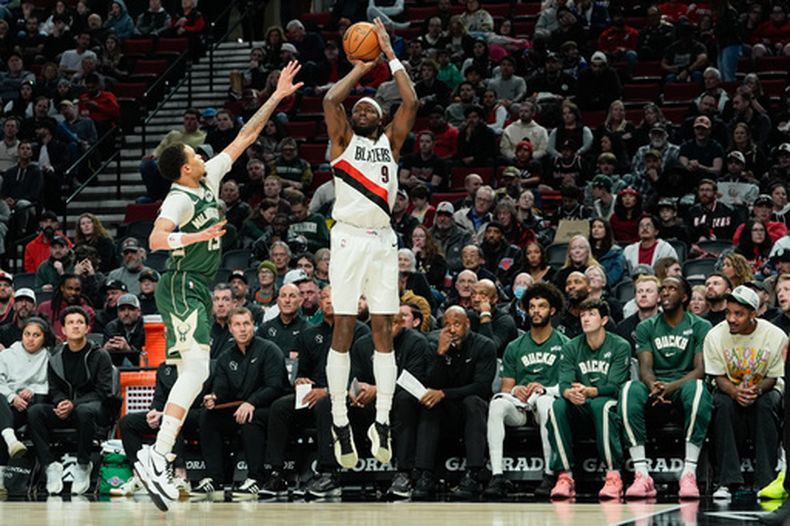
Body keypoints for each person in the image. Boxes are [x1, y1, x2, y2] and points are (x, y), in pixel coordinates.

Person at [133, 61, 302, 511]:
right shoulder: (179, 195)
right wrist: (198, 236)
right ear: (184, 168)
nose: (202, 156)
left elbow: (245, 136)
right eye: (195, 156)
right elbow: (153, 240)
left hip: (194, 285)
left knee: (194, 373)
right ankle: (157, 454)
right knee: (196, 372)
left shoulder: (207, 178)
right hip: (183, 281)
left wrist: (277, 95)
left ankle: (159, 454)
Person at [322, 18, 417, 470]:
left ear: (380, 117)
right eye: (356, 108)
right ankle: (340, 420)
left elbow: (411, 100)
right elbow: (329, 98)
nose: (361, 110)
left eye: (369, 108)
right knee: (343, 327)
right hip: (346, 239)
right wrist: (363, 67)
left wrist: (389, 53)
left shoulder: (392, 144)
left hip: (382, 241)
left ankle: (381, 421)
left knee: (383, 332)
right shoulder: (341, 142)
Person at [620, 277, 713, 499]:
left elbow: (700, 370)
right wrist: (653, 385)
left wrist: (669, 387)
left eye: (672, 289)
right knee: (628, 391)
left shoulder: (700, 326)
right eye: (663, 289)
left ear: (684, 296)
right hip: (656, 383)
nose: (665, 293)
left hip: (683, 383)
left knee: (699, 389)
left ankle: (688, 472)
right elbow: (645, 368)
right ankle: (642, 474)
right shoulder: (646, 327)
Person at [194, 307, 289, 501]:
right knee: (207, 416)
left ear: (254, 325)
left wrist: (251, 402)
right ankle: (215, 479)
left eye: (246, 323)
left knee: (249, 417)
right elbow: (221, 387)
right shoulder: (225, 357)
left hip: (270, 408)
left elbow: (275, 386)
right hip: (239, 407)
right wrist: (214, 398)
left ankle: (256, 478)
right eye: (237, 325)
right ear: (230, 328)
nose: (243, 329)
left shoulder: (269, 350)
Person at [484, 283, 569, 499]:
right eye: (531, 306)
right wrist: (516, 390)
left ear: (552, 310)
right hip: (521, 407)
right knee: (496, 404)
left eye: (541, 306)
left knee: (544, 402)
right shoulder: (515, 346)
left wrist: (544, 389)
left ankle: (550, 474)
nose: (536, 311)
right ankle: (497, 475)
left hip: (549, 403)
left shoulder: (566, 345)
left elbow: (566, 386)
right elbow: (506, 387)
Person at [704, 285, 785, 500]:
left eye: (738, 314)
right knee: (722, 404)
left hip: (765, 388)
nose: (731, 318)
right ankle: (726, 481)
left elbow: (774, 376)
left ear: (753, 313)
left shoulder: (775, 335)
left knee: (766, 404)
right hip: (728, 387)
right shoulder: (714, 336)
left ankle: (765, 481)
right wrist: (734, 392)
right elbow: (717, 376)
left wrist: (756, 390)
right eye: (728, 312)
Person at [548, 298, 631, 500]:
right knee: (556, 406)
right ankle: (565, 476)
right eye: (583, 315)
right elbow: (564, 382)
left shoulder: (620, 345)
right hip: (582, 403)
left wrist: (589, 391)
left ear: (603, 320)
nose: (585, 319)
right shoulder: (571, 347)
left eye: (591, 314)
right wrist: (569, 393)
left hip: (609, 402)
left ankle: (613, 474)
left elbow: (615, 387)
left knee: (602, 406)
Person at [411, 306, 496, 501]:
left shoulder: (484, 345)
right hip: (446, 409)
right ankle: (425, 474)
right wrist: (440, 355)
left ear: (467, 324)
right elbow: (431, 385)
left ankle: (474, 474)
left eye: (456, 324)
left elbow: (481, 387)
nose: (451, 330)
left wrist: (444, 393)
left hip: (472, 409)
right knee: (430, 404)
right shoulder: (434, 345)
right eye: (446, 325)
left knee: (473, 402)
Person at [27, 306, 113, 496]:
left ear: (87, 328)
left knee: (84, 411)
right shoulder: (56, 357)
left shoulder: (100, 355)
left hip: (94, 410)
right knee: (35, 412)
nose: (75, 326)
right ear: (63, 330)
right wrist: (61, 403)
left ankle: (83, 465)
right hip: (66, 409)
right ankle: (50, 466)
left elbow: (103, 392)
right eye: (71, 323)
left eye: (80, 322)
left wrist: (74, 404)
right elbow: (54, 388)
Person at [0, 316, 53, 491]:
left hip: (26, 407)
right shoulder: (7, 355)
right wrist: (12, 397)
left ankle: (1, 478)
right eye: (27, 334)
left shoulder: (48, 357)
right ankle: (10, 439)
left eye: (36, 335)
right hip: (6, 401)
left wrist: (33, 390)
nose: (30, 339)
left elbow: (49, 384)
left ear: (44, 337)